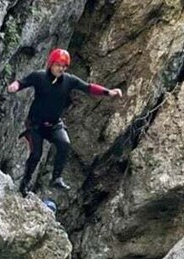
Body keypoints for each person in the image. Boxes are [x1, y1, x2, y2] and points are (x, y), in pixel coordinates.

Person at [7, 48, 123, 198]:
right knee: (36, 155)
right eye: (58, 65)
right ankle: (25, 183)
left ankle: (56, 178)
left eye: (64, 66)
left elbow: (88, 87)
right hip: (36, 125)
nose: (61, 69)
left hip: (54, 124)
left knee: (64, 143)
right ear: (51, 64)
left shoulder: (69, 80)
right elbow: (22, 83)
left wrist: (108, 92)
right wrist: (14, 87)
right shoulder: (39, 77)